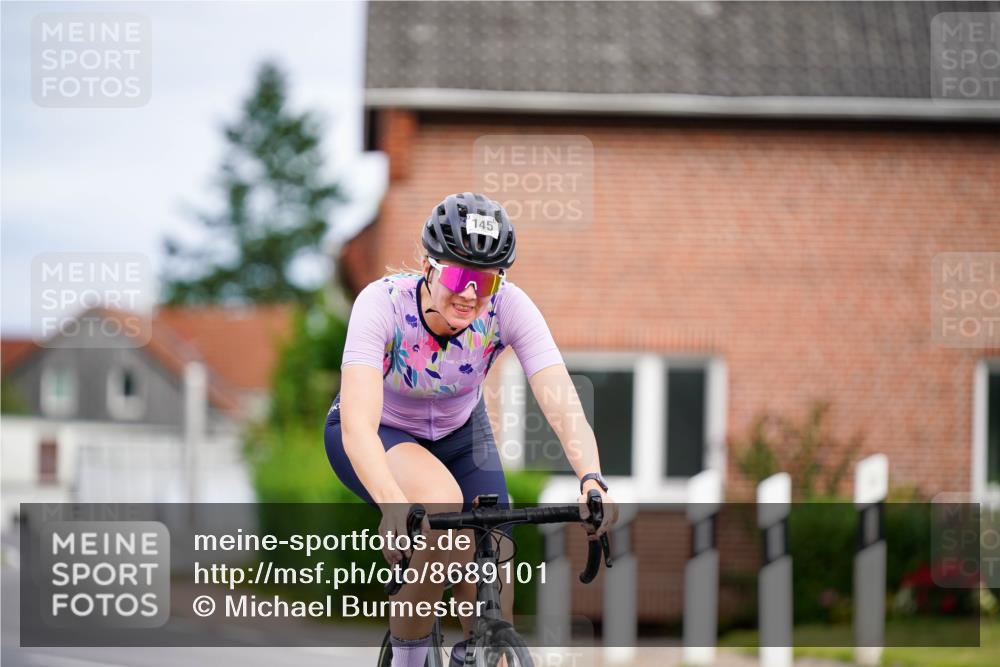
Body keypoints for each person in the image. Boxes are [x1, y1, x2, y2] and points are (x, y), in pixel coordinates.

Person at [324, 192, 617, 666]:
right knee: (441, 504)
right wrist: (392, 506)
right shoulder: (382, 304)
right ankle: (408, 658)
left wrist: (591, 477)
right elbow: (359, 423)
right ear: (428, 265)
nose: (470, 293)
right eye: (459, 275)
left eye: (485, 280)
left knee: (493, 581)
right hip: (378, 431)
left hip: (462, 435)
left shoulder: (509, 306)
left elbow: (562, 400)